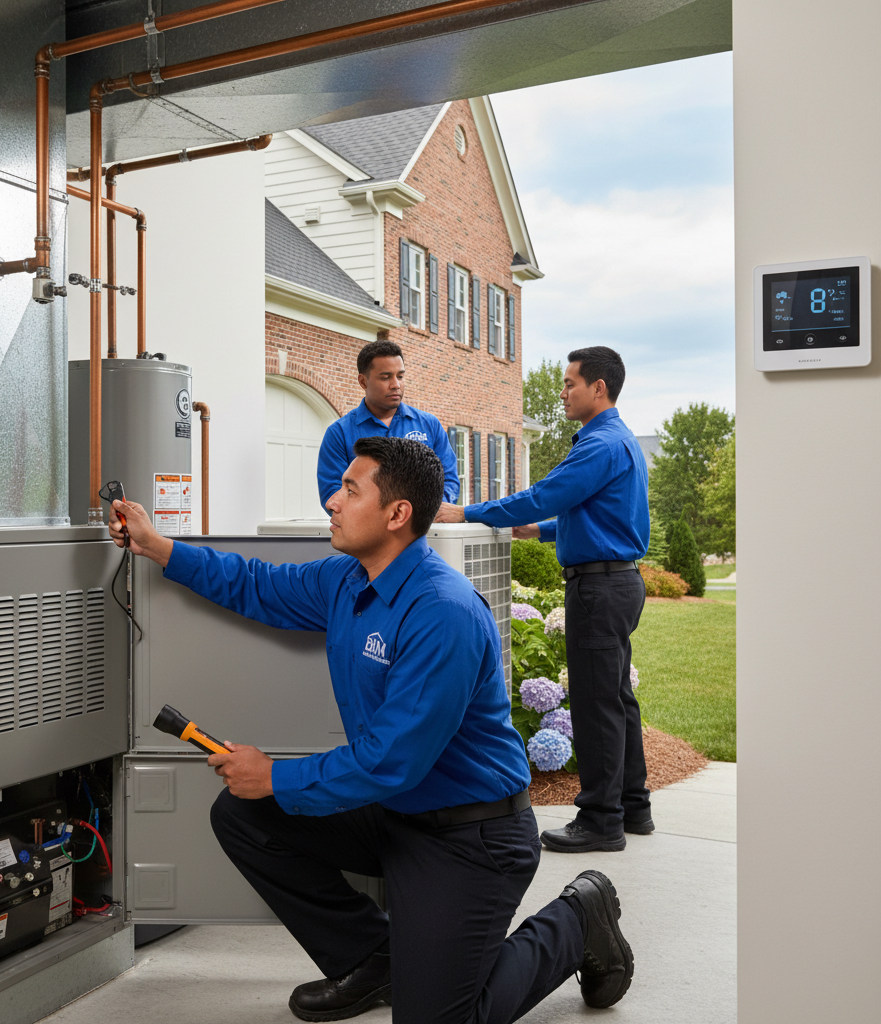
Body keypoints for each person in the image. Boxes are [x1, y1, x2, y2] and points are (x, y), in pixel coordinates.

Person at [110, 437, 634, 1024]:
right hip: (396, 814)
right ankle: (374, 957)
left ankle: (577, 920)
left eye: (349, 491)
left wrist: (276, 776)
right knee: (244, 814)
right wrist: (158, 546)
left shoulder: (442, 611)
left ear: (397, 513)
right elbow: (256, 584)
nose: (332, 502)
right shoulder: (346, 580)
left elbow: (392, 759)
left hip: (471, 835)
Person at [435, 346, 651, 854]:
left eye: (570, 383)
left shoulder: (599, 444)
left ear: (598, 387)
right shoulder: (620, 439)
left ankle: (601, 821)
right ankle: (633, 806)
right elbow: (603, 514)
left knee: (596, 705)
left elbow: (544, 495)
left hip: (598, 589)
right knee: (617, 698)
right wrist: (545, 531)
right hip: (619, 582)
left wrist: (467, 512)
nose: (562, 392)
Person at [316, 339, 459, 509]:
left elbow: (448, 480)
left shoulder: (430, 425)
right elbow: (333, 494)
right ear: (363, 382)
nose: (396, 385)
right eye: (385, 377)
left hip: (425, 525)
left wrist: (425, 515)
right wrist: (386, 519)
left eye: (400, 376)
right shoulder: (339, 433)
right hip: (366, 527)